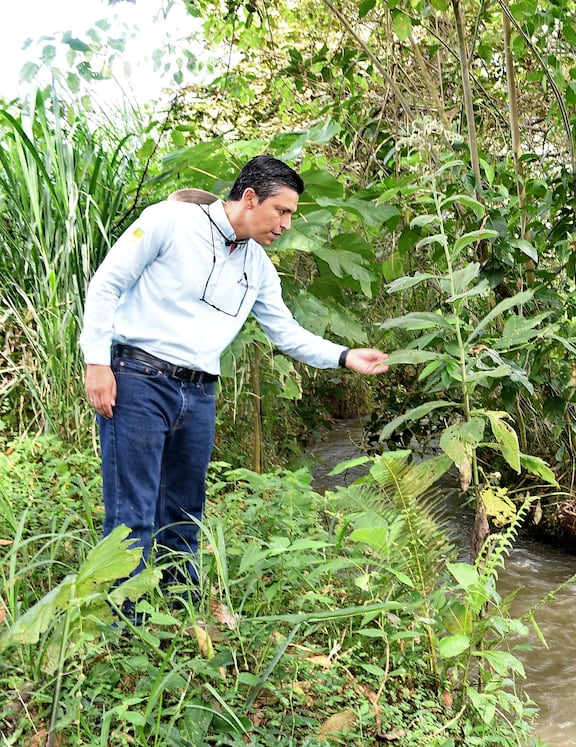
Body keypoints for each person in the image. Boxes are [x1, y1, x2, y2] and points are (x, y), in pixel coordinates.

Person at [80, 154, 389, 620]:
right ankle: (126, 635)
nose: (285, 224)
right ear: (249, 198)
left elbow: (285, 332)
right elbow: (106, 285)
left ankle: (180, 621)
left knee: (184, 515)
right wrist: (96, 362)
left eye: (291, 215)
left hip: (199, 394)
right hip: (139, 379)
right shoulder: (170, 222)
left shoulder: (258, 266)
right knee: (132, 516)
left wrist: (345, 357)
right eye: (281, 211)